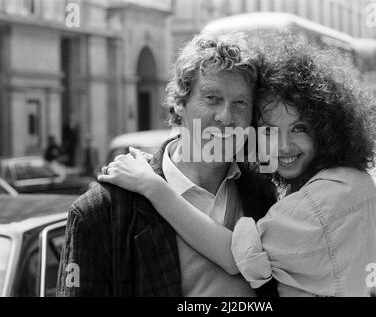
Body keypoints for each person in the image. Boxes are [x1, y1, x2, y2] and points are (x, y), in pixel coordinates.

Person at [98, 33, 376, 296]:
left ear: (327, 128)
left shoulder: (329, 191)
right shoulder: (104, 210)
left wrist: (153, 186)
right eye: (270, 130)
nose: (283, 147)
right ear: (179, 104)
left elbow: (238, 257)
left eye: (300, 128)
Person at [56, 32, 278, 297]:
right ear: (179, 103)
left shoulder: (266, 196)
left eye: (240, 103)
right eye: (212, 98)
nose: (226, 117)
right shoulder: (101, 212)